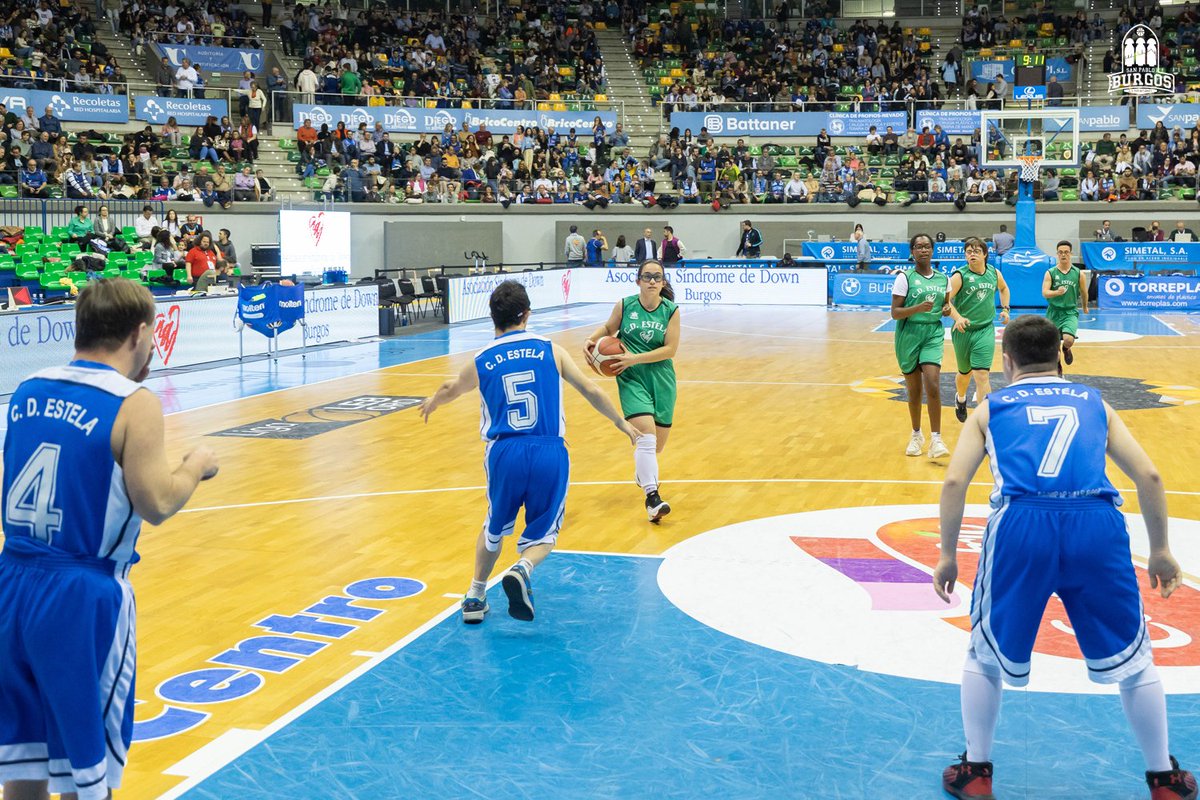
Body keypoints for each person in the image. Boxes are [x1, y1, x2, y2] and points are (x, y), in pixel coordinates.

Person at [934, 314, 1196, 800]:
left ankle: (977, 771)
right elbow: (1150, 477)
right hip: (1095, 525)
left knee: (984, 653)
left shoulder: (991, 408)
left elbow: (954, 482)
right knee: (1136, 660)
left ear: (1007, 361)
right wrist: (1160, 550)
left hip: (1021, 526)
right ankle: (1164, 778)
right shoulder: (1095, 402)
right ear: (1059, 356)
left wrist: (947, 555)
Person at [0, 278, 218, 800]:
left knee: (24, 764)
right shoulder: (134, 403)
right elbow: (157, 502)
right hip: (80, 595)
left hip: (11, 585)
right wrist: (195, 465)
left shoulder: (27, 389)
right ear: (139, 333)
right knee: (86, 774)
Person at [420, 281, 638, 624]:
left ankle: (475, 596)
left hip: (503, 452)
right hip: (549, 450)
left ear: (493, 317)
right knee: (544, 534)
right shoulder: (551, 349)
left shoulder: (482, 359)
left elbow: (452, 388)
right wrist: (620, 423)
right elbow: (591, 389)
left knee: (493, 527)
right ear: (527, 314)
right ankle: (522, 568)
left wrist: (434, 401)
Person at [585, 261, 680, 522]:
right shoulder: (625, 305)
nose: (652, 281)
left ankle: (644, 471)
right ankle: (653, 498)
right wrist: (591, 339)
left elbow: (670, 350)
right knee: (646, 437)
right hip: (631, 378)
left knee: (655, 447)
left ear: (663, 282)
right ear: (638, 280)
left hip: (661, 378)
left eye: (657, 277)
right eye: (647, 276)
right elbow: (608, 329)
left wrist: (634, 358)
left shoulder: (671, 310)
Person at [892, 233, 951, 459]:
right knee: (914, 391)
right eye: (919, 247)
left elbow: (946, 306)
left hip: (932, 333)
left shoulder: (943, 279)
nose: (923, 250)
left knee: (933, 384)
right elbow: (895, 313)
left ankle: (937, 439)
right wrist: (917, 308)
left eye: (927, 246)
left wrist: (946, 309)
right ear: (912, 252)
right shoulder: (904, 278)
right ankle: (916, 435)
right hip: (908, 334)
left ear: (932, 250)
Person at [947, 236, 1010, 422]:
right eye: (968, 252)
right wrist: (957, 318)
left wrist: (1005, 309)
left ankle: (984, 420)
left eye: (976, 251)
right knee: (964, 374)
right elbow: (945, 301)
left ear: (985, 254)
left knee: (982, 375)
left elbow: (1004, 289)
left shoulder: (994, 273)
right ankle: (960, 398)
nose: (972, 254)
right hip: (963, 331)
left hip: (985, 329)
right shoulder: (959, 276)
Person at [1042, 240, 1089, 368]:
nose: (1063, 255)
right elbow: (1045, 293)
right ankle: (1058, 365)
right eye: (1061, 252)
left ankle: (1066, 349)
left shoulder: (1079, 273)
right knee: (1053, 345)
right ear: (1057, 254)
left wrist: (1085, 306)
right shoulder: (1050, 272)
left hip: (1070, 312)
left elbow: (1084, 292)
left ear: (1071, 254)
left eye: (1066, 252)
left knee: (1068, 339)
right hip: (1054, 312)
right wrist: (1057, 292)